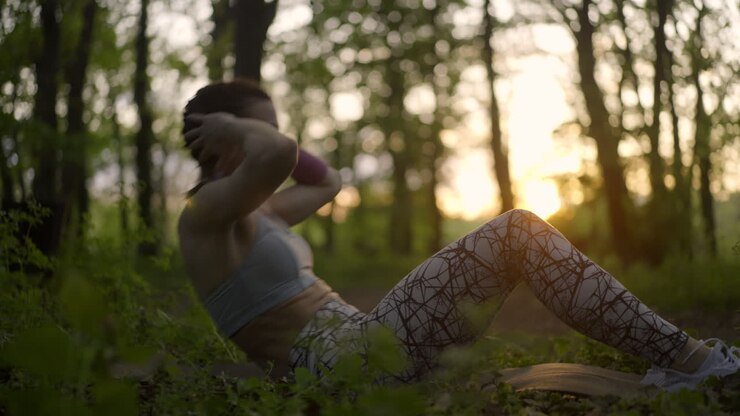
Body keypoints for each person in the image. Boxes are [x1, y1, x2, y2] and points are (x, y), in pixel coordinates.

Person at [178, 79, 739, 392]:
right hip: (335, 367)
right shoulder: (206, 216)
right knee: (516, 231)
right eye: (259, 126)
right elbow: (279, 153)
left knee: (519, 251)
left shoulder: (264, 213)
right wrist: (238, 130)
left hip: (362, 345)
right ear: (223, 140)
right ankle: (695, 362)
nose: (274, 135)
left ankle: (684, 369)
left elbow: (328, 181)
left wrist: (253, 131)